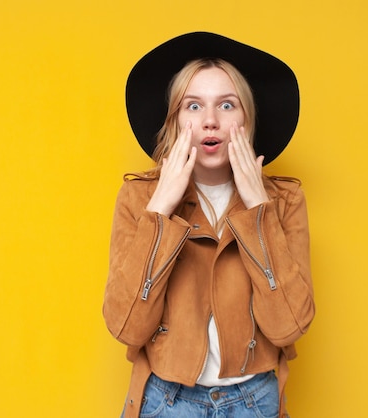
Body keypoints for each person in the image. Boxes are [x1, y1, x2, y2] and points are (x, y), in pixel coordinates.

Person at [103, 32, 315, 418]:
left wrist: (258, 212)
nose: (211, 121)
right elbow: (127, 328)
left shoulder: (283, 203)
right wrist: (160, 212)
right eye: (194, 106)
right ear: (175, 121)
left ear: (246, 120)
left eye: (227, 105)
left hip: (255, 401)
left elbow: (288, 327)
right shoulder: (139, 199)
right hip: (166, 400)